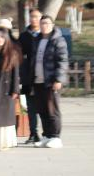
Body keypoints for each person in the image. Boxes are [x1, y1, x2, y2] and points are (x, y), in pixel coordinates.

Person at [31, 15, 68, 149]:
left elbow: (62, 61)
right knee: (42, 110)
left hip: (51, 81)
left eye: (47, 23)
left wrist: (58, 79)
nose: (44, 26)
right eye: (42, 23)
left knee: (53, 110)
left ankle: (56, 137)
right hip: (38, 80)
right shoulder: (37, 40)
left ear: (52, 25)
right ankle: (47, 136)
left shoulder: (58, 40)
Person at [18, 8, 42, 144]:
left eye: (37, 16)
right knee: (31, 107)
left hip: (42, 76)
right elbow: (19, 57)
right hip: (28, 77)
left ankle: (48, 133)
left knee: (44, 107)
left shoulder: (45, 35)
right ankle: (33, 133)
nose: (34, 19)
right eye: (32, 16)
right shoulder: (24, 36)